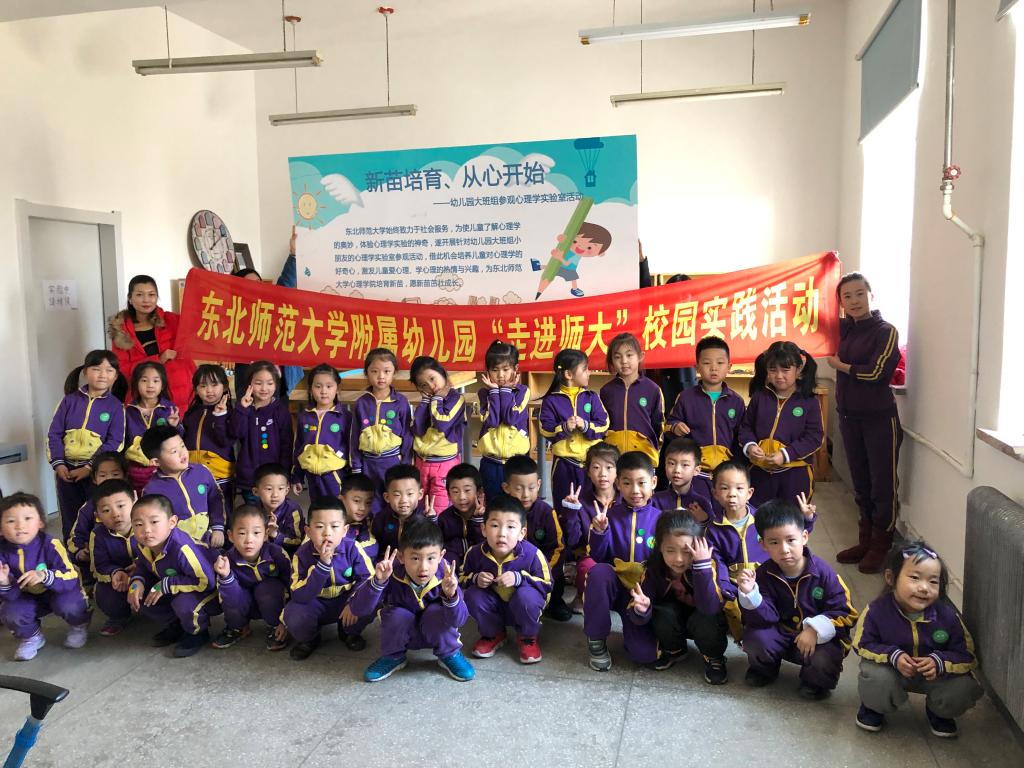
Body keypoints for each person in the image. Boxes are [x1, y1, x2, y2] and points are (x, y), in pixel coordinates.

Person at [852, 541, 982, 737]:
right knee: (877, 677)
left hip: (934, 675)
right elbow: (862, 644)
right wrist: (893, 656)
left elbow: (967, 655)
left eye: (933, 581)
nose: (924, 588)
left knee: (962, 686)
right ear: (891, 578)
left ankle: (939, 712)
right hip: (892, 670)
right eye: (914, 578)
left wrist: (939, 661)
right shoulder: (876, 611)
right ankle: (874, 707)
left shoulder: (948, 617)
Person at [737, 500, 857, 700]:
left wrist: (815, 629)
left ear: (804, 537)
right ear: (763, 545)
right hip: (781, 633)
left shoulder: (824, 574)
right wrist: (751, 595)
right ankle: (764, 669)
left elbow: (846, 613)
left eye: (791, 540)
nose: (784, 549)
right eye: (774, 542)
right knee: (756, 638)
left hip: (816, 640)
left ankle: (815, 682)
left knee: (826, 656)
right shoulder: (763, 574)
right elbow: (763, 619)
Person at [827, 272, 905, 574]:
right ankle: (865, 541)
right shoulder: (844, 330)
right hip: (849, 418)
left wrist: (840, 366)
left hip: (879, 420)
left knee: (882, 486)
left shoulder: (886, 331)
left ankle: (881, 546)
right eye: (847, 296)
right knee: (860, 483)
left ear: (871, 296)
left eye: (860, 293)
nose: (854, 301)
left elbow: (876, 372)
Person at [349, 519, 475, 683]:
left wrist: (451, 596)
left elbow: (460, 620)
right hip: (404, 633)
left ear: (441, 556)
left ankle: (449, 654)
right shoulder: (390, 572)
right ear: (401, 557)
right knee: (396, 614)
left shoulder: (447, 576)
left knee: (436, 612)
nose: (423, 567)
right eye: (415, 558)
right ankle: (393, 656)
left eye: (431, 558)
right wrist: (377, 583)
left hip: (436, 632)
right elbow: (359, 609)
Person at [704, 461, 816, 639]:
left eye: (739, 488)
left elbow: (792, 537)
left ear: (749, 493)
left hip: (769, 580)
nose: (732, 494)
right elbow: (718, 563)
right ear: (715, 494)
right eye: (724, 488)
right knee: (739, 619)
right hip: (736, 585)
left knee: (776, 614)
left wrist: (807, 520)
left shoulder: (763, 519)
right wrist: (726, 588)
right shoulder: (713, 529)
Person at [628, 510, 729, 682]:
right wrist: (641, 609)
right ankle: (675, 650)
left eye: (687, 551)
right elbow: (636, 611)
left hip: (703, 617)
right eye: (670, 550)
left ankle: (714, 657)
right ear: (660, 547)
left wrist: (702, 567)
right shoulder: (654, 569)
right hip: (675, 618)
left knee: (708, 619)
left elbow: (711, 607)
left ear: (698, 546)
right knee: (661, 613)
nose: (679, 559)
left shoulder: (711, 564)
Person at [583, 451, 661, 672]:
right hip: (615, 588)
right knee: (599, 572)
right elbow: (598, 556)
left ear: (653, 482)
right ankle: (596, 638)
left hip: (642, 594)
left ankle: (634, 630)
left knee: (644, 654)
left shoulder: (661, 519)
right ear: (618, 483)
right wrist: (600, 532)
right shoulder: (609, 516)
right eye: (627, 483)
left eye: (641, 483)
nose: (635, 490)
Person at [462, 494, 552, 664]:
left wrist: (520, 578)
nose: (502, 534)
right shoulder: (474, 553)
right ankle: (493, 633)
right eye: (495, 525)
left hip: (522, 606)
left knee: (527, 597)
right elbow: (460, 578)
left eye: (511, 527)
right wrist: (475, 578)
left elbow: (547, 584)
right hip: (493, 606)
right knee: (473, 595)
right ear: (483, 529)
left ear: (522, 533)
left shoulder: (533, 554)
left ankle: (527, 637)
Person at [0, 492, 91, 660]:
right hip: (25, 595)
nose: (20, 526)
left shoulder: (51, 544)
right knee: (10, 611)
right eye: (11, 521)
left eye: (27, 518)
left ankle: (79, 625)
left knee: (70, 604)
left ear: (40, 522)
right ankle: (31, 637)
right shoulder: (2, 553)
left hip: (58, 590)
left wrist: (45, 576)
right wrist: (4, 582)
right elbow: (10, 596)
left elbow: (70, 576)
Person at [47, 350, 127, 539]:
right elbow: (54, 434)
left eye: (109, 370)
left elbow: (115, 442)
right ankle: (72, 552)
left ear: (116, 376)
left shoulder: (116, 406)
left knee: (97, 515)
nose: (102, 374)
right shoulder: (69, 401)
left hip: (96, 472)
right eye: (96, 369)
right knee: (69, 515)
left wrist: (90, 467)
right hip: (66, 471)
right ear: (85, 372)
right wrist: (58, 464)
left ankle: (96, 552)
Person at [127, 493, 218, 657]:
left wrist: (167, 584)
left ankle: (197, 632)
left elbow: (207, 581)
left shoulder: (182, 548)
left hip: (210, 591)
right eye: (138, 524)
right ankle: (177, 624)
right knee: (141, 596)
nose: (146, 530)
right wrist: (136, 582)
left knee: (183, 603)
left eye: (154, 522)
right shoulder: (144, 545)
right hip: (177, 585)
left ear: (172, 522)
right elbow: (143, 566)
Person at [282, 498, 373, 660]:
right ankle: (310, 638)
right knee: (294, 614)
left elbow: (367, 578)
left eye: (334, 526)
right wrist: (322, 566)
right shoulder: (301, 555)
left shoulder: (353, 548)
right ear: (308, 531)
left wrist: (354, 603)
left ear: (344, 530)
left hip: (345, 602)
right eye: (319, 527)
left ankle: (348, 632)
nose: (327, 533)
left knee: (372, 598)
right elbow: (298, 595)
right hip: (315, 604)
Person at [739, 341, 823, 506]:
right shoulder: (759, 397)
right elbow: (745, 427)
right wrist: (750, 446)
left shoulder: (809, 401)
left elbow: (814, 437)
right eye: (773, 370)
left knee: (792, 517)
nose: (778, 376)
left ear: (798, 370)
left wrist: (785, 455)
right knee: (758, 515)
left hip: (795, 474)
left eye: (785, 370)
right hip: (760, 472)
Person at [664, 336, 745, 499]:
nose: (714, 368)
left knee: (722, 511)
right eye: (707, 363)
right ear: (697, 367)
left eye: (720, 363)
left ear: (729, 367)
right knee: (694, 510)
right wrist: (675, 426)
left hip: (726, 475)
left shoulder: (736, 401)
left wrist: (736, 467)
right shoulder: (686, 398)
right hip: (694, 473)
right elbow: (668, 425)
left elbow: (741, 436)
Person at [232, 226, 304, 400]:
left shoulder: (272, 304)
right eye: (249, 284)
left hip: (279, 381)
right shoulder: (235, 314)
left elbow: (286, 284)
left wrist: (293, 254)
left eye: (259, 282)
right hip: (250, 383)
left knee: (279, 414)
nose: (256, 287)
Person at [539, 348, 609, 526]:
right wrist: (564, 428)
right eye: (585, 369)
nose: (589, 372)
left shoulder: (592, 397)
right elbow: (545, 429)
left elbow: (604, 424)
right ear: (569, 374)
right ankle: (566, 542)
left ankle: (592, 540)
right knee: (564, 510)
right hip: (564, 464)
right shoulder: (551, 400)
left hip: (591, 465)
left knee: (592, 509)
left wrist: (586, 426)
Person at [108, 274, 196, 414]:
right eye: (139, 295)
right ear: (130, 298)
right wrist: (158, 359)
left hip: (183, 391)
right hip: (146, 397)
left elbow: (199, 330)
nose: (146, 300)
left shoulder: (172, 321)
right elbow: (123, 369)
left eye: (151, 294)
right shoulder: (121, 332)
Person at [212, 505, 292, 652]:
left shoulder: (277, 554)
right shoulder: (226, 560)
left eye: (256, 533)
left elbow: (292, 585)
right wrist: (226, 575)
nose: (249, 540)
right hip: (244, 603)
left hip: (271, 602)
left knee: (268, 588)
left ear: (266, 534)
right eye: (242, 533)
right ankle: (238, 628)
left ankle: (275, 626)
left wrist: (285, 620)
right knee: (230, 592)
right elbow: (227, 597)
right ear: (230, 536)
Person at [502, 455, 568, 622]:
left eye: (531, 488)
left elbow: (558, 547)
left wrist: (543, 570)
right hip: (510, 567)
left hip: (543, 568)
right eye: (519, 489)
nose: (526, 494)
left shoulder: (546, 512)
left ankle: (554, 602)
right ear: (506, 488)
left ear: (539, 484)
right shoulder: (501, 512)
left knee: (557, 575)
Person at [141, 424, 226, 548]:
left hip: (210, 540)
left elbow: (216, 500)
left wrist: (218, 528)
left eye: (182, 446)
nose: (183, 453)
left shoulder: (201, 471)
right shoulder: (151, 490)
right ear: (156, 462)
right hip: (178, 547)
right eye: (174, 451)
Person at [561, 442, 619, 614]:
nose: (603, 474)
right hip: (592, 557)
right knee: (586, 567)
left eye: (609, 467)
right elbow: (573, 541)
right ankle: (582, 595)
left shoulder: (626, 499)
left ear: (618, 471)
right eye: (596, 467)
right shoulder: (582, 501)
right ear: (588, 472)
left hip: (621, 556)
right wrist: (572, 512)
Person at [349, 348, 413, 501]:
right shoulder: (361, 403)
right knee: (370, 501)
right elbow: (354, 436)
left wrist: (405, 464)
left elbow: (407, 434)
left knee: (394, 500)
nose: (381, 376)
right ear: (366, 373)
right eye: (374, 371)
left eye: (386, 371)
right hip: (368, 463)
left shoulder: (400, 402)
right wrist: (356, 466)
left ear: (394, 372)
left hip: (393, 462)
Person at [477, 340, 531, 500]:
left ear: (516, 369)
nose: (500, 375)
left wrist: (506, 390)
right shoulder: (484, 393)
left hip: (516, 463)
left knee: (517, 505)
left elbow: (510, 418)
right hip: (490, 462)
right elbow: (492, 421)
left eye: (506, 369)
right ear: (487, 372)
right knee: (492, 504)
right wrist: (494, 392)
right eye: (495, 370)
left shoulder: (522, 391)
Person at [410, 355, 466, 512]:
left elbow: (442, 423)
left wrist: (437, 400)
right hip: (422, 462)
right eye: (424, 385)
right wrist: (425, 402)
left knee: (440, 507)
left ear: (443, 374)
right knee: (420, 506)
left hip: (444, 464)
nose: (431, 386)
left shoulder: (456, 399)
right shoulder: (428, 401)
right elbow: (418, 429)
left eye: (432, 379)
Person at [234, 361, 294, 505]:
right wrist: (242, 409)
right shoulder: (244, 409)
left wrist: (285, 475)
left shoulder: (281, 411)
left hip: (274, 481)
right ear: (249, 384)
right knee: (253, 515)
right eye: (258, 383)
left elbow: (287, 445)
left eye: (270, 383)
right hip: (250, 480)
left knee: (274, 515)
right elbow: (236, 433)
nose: (264, 388)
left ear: (276, 385)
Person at [600, 332, 664, 466]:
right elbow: (602, 424)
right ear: (611, 361)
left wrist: (653, 449)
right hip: (612, 458)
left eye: (629, 355)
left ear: (640, 356)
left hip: (643, 458)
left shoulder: (653, 389)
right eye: (617, 357)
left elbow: (658, 425)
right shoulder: (606, 391)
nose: (624, 361)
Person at [291, 364, 351, 501]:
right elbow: (299, 447)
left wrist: (350, 476)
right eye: (318, 386)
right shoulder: (305, 416)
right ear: (310, 389)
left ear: (337, 389)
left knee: (336, 510)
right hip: (312, 477)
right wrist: (297, 476)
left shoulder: (345, 416)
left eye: (329, 386)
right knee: (316, 509)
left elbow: (351, 447)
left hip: (336, 476)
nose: (323, 391)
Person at [89, 479, 139, 636]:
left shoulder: (147, 525)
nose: (116, 514)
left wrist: (141, 566)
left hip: (149, 574)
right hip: (119, 581)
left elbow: (162, 552)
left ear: (135, 501)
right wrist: (115, 572)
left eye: (121, 506)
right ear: (97, 516)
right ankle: (119, 617)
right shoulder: (98, 535)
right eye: (106, 510)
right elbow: (99, 565)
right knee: (105, 594)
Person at [183, 364, 236, 507]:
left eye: (214, 384)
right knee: (197, 512)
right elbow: (183, 440)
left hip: (220, 476)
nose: (209, 390)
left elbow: (224, 441)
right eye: (203, 386)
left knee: (222, 513)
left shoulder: (230, 414)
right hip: (192, 473)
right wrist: (176, 425)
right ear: (196, 389)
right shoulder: (192, 413)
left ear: (225, 387)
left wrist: (220, 416)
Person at [123, 361, 181, 493]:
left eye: (156, 381)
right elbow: (124, 442)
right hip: (136, 472)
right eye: (144, 380)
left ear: (163, 384)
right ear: (136, 383)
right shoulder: (128, 411)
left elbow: (179, 441)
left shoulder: (170, 409)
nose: (150, 385)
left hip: (163, 469)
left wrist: (174, 426)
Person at [66, 451, 129, 566]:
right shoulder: (88, 508)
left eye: (115, 474)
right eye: (103, 475)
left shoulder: (134, 501)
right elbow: (76, 536)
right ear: (94, 478)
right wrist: (80, 552)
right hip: (102, 563)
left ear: (125, 476)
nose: (109, 479)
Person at [652, 437, 714, 522]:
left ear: (696, 470)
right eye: (672, 463)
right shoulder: (655, 501)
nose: (677, 470)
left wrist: (704, 520)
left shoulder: (702, 503)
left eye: (685, 465)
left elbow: (712, 529)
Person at [436, 463, 486, 567]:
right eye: (455, 492)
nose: (462, 497)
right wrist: (461, 546)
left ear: (479, 492)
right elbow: (438, 546)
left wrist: (478, 520)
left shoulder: (488, 516)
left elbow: (487, 543)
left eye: (467, 490)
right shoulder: (444, 518)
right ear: (448, 495)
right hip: (454, 563)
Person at [371, 464, 427, 555]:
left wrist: (433, 520)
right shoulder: (381, 518)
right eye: (397, 495)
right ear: (387, 497)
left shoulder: (426, 517)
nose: (404, 500)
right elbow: (375, 544)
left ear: (420, 494)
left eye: (409, 494)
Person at [252, 463, 305, 555]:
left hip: (287, 555)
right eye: (269, 489)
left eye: (280, 488)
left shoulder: (293, 510)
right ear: (256, 491)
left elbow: (297, 541)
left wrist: (275, 535)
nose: (275, 495)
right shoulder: (253, 511)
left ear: (287, 490)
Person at [340, 474, 379, 561]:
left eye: (368, 502)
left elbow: (372, 547)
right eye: (357, 501)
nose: (363, 508)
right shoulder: (330, 518)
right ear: (341, 499)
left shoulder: (368, 522)